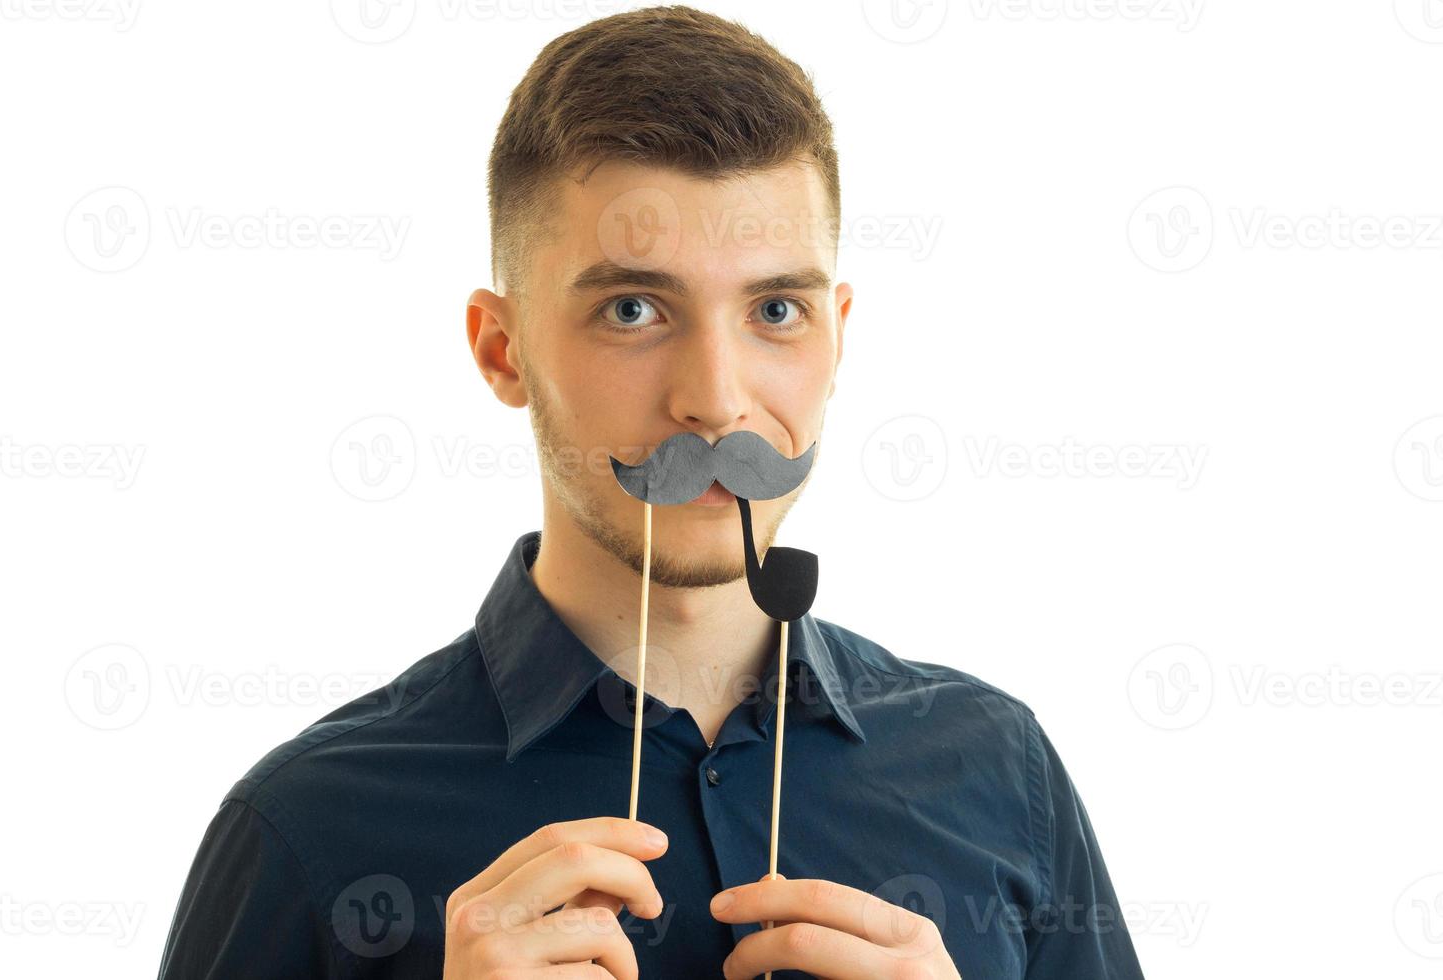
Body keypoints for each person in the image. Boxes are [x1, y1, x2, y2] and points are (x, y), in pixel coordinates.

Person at [156, 6, 1145, 978]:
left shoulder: (1001, 771)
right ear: (503, 351)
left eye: (775, 309)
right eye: (634, 309)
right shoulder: (306, 828)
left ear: (837, 336)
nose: (714, 403)